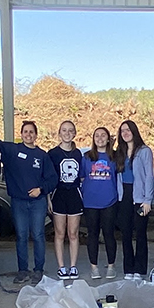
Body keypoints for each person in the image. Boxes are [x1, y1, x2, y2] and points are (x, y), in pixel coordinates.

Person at [0, 121, 57, 284]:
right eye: (25, 132)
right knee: (21, 236)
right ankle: (22, 271)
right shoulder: (12, 150)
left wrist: (41, 189)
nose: (28, 134)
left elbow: (53, 179)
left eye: (32, 132)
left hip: (37, 202)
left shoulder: (42, 155)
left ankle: (38, 269)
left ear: (36, 135)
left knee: (38, 235)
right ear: (21, 134)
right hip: (18, 202)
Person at [115, 119, 154, 279]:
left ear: (134, 131)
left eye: (128, 130)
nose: (125, 133)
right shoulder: (120, 152)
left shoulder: (144, 151)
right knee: (125, 233)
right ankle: (128, 269)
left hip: (140, 195)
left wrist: (148, 200)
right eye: (122, 130)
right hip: (123, 194)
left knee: (140, 233)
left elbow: (149, 176)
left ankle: (139, 269)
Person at [48, 120, 85, 279]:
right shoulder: (52, 154)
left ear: (75, 133)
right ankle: (61, 266)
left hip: (74, 195)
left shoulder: (79, 154)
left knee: (73, 233)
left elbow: (83, 176)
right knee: (59, 232)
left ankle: (73, 266)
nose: (67, 133)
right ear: (59, 133)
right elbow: (48, 177)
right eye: (64, 130)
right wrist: (48, 198)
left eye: (71, 130)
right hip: (59, 195)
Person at [81, 127, 119, 280]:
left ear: (109, 139)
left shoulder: (115, 157)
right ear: (93, 139)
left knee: (109, 234)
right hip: (90, 202)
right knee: (92, 235)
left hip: (109, 201)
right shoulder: (86, 157)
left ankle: (111, 266)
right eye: (97, 135)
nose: (100, 138)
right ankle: (94, 267)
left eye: (103, 135)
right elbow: (82, 177)